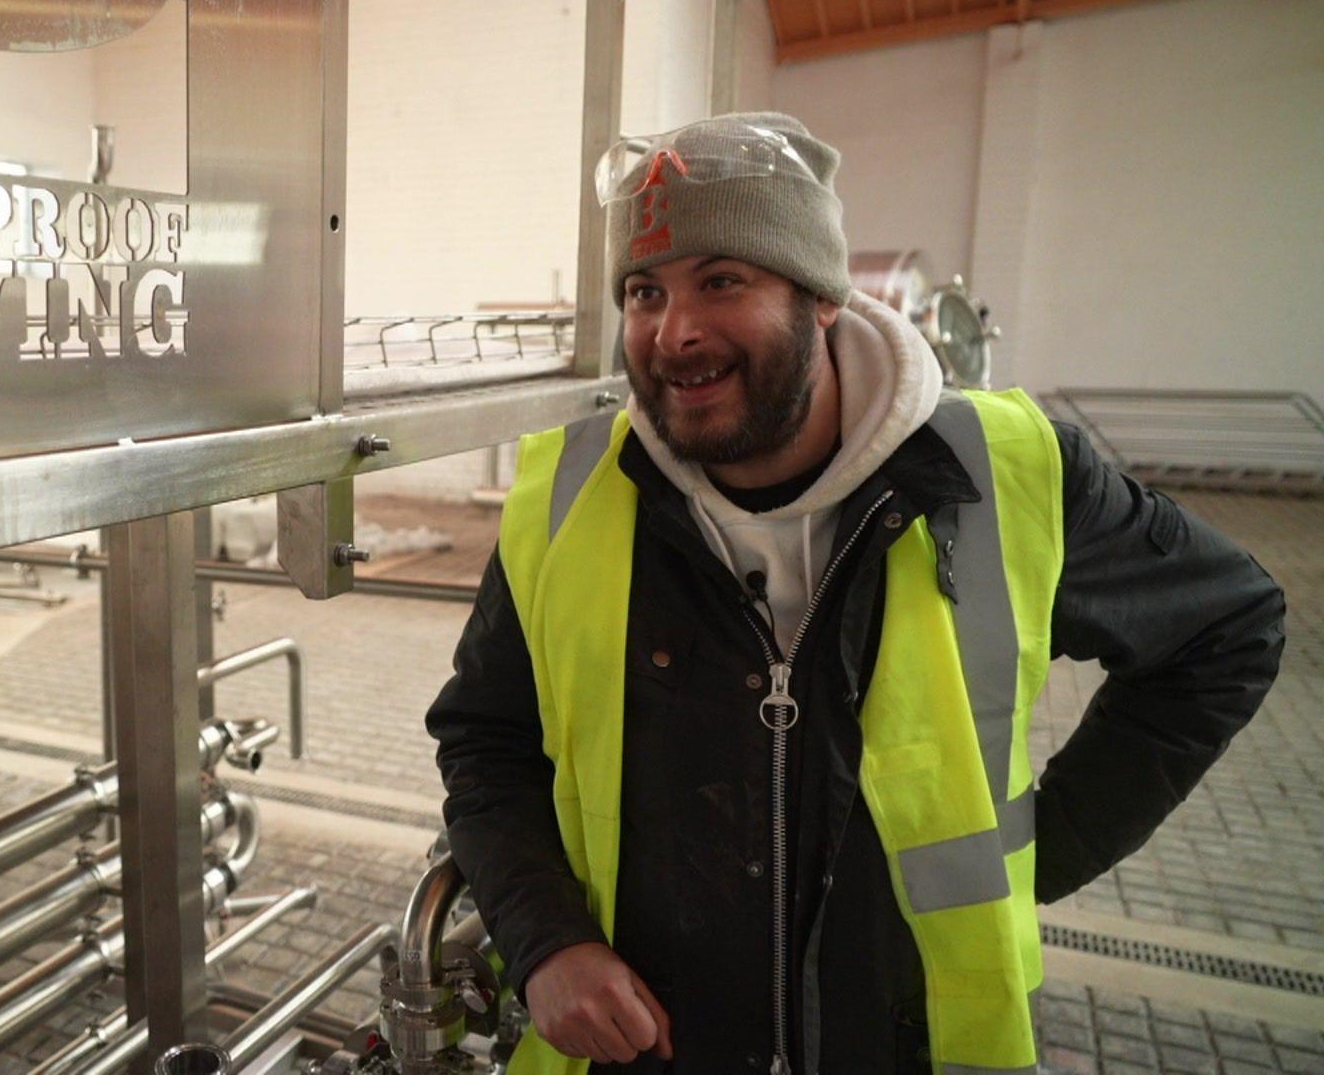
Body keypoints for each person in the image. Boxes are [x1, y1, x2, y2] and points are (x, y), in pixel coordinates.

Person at [425, 113, 1284, 1074]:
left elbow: (1228, 627)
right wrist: (547, 940)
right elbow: (485, 740)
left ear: (821, 297)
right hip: (652, 1044)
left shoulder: (1007, 472)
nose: (675, 332)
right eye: (643, 291)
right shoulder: (570, 497)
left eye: (722, 280)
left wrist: (1051, 846)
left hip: (910, 1042)